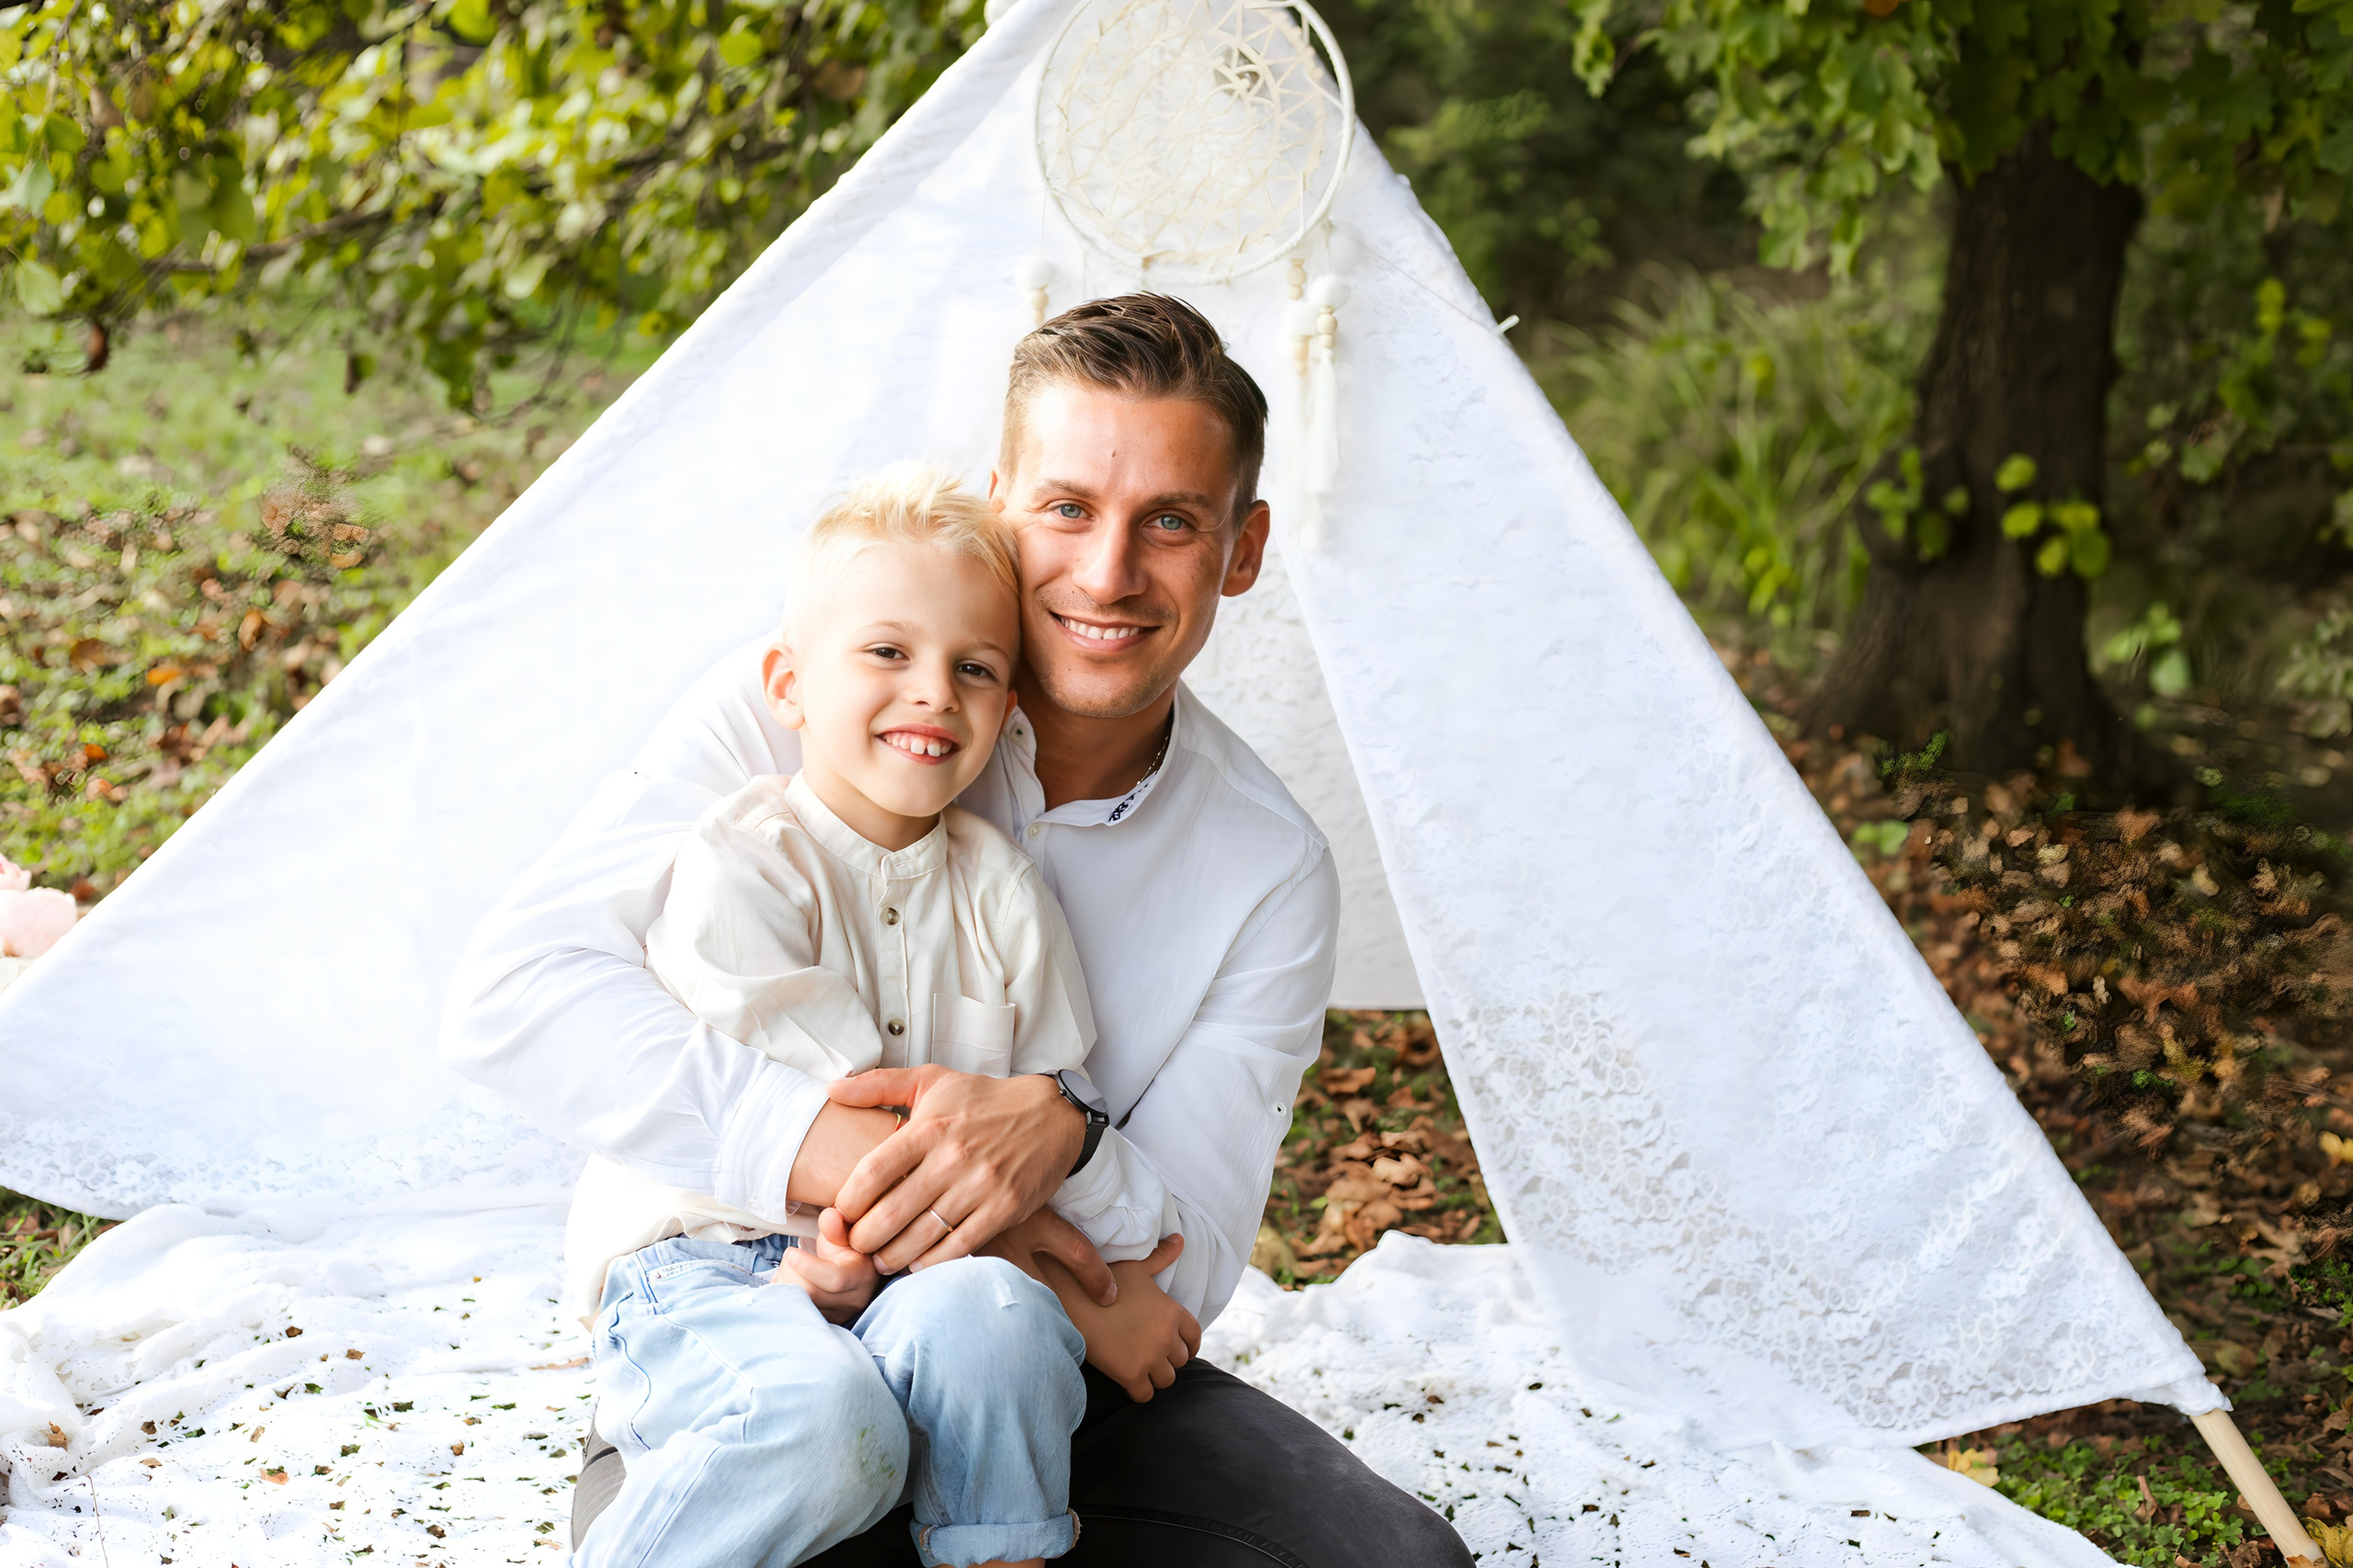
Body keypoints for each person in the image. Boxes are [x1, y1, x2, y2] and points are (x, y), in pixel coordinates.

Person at [443, 293, 1472, 1567]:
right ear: (1002, 505)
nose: (1107, 573)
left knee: (1392, 1567)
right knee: (811, 1462)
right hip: (754, 1320)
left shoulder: (1268, 867)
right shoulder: (813, 701)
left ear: (1241, 548)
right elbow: (521, 996)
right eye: (1067, 508)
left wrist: (1063, 1129)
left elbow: (1173, 1268)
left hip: (1030, 1351)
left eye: (1170, 522)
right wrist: (900, 1157)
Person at [563, 466, 1198, 1568]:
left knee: (996, 1328)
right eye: (887, 652)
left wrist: (1094, 1236)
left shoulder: (1003, 892)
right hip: (713, 1264)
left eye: (975, 667)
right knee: (824, 1424)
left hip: (919, 1275)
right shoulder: (741, 865)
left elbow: (1048, 1115)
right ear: (789, 681)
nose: (933, 692)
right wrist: (1073, 1278)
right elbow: (867, 1133)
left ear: (1009, 711)